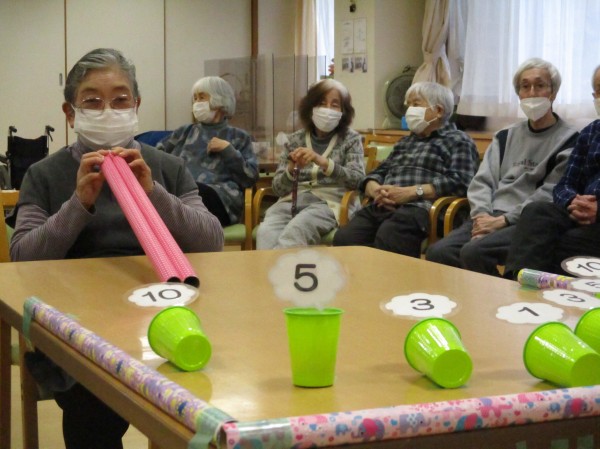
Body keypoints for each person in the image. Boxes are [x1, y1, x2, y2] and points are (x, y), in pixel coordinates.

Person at [8, 48, 223, 449]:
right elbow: (23, 258)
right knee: (93, 403)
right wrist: (78, 204)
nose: (108, 111)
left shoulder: (166, 167)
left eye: (121, 100)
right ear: (70, 113)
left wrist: (153, 192)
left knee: (201, 389)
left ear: (136, 105)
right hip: (80, 320)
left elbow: (211, 241)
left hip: (164, 310)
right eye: (92, 101)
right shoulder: (44, 174)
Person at [426, 58, 579, 276]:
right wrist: (482, 217)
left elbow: (549, 193)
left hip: (526, 221)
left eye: (540, 85)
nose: (532, 92)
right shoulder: (505, 136)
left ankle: (499, 296)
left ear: (553, 93)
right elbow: (482, 182)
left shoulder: (570, 140)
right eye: (525, 86)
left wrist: (503, 221)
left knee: (474, 252)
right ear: (519, 94)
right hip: (489, 214)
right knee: (438, 252)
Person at [332, 81, 479, 258]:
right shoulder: (405, 142)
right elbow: (380, 171)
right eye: (408, 105)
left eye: (416, 104)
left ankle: (398, 277)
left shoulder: (458, 140)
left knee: (390, 235)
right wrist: (374, 187)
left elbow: (462, 181)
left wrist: (411, 192)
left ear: (439, 111)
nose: (409, 110)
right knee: (345, 238)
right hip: (384, 203)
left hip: (423, 208)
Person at [504, 65, 600, 278]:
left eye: (539, 86)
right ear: (594, 96)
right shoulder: (590, 132)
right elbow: (564, 184)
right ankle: (518, 283)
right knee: (537, 211)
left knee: (567, 241)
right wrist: (572, 201)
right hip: (579, 210)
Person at [256, 79, 364, 249]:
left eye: (335, 105)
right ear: (311, 108)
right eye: (322, 103)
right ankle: (272, 267)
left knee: (296, 230)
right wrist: (291, 170)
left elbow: (357, 180)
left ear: (343, 111)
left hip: (329, 204)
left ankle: (282, 266)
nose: (328, 109)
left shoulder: (351, 139)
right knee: (265, 232)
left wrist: (324, 163)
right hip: (291, 202)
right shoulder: (295, 140)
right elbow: (277, 189)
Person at [156, 76, 258, 226]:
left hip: (219, 199)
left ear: (220, 100)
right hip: (181, 196)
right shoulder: (184, 132)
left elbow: (250, 178)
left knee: (193, 193)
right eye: (195, 98)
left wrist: (228, 151)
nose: (197, 103)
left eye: (202, 97)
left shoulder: (239, 137)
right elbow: (156, 157)